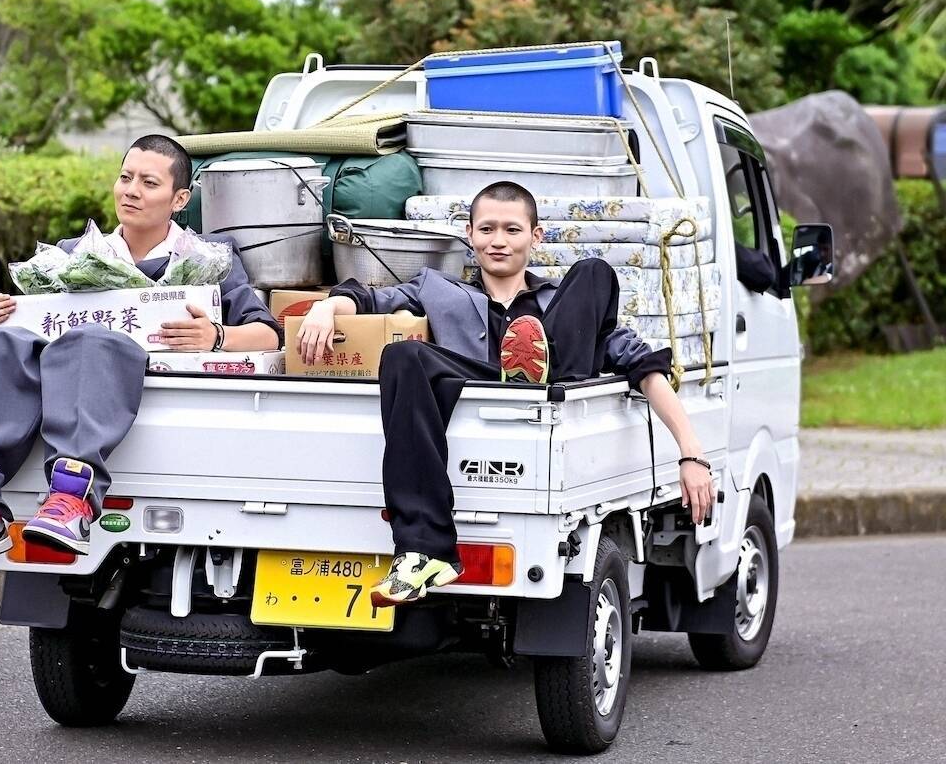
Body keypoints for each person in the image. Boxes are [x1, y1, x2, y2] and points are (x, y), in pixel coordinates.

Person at [297, 181, 718, 607]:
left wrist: (692, 454)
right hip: (478, 378)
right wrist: (326, 307)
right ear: (469, 234)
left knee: (594, 271)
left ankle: (543, 369)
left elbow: (647, 370)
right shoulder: (438, 288)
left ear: (536, 237)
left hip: (559, 380)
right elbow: (371, 300)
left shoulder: (564, 301)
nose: (498, 241)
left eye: (512, 230)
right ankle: (424, 551)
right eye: (487, 229)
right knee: (404, 356)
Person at [0, 135, 281, 575]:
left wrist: (215, 335)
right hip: (63, 380)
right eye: (125, 178)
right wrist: (0, 311)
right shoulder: (73, 256)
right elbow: (36, 322)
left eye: (148, 183)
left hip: (133, 386)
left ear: (179, 199)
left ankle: (72, 497)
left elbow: (267, 334)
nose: (131, 191)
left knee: (92, 340)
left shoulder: (207, 261)